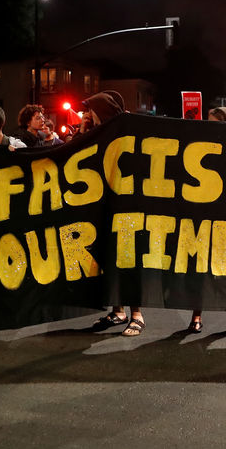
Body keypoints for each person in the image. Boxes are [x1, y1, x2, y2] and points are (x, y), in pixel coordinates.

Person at [81, 92, 147, 337]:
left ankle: (136, 314)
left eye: (91, 110)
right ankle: (118, 311)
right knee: (108, 260)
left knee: (128, 260)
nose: (87, 115)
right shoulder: (94, 133)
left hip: (126, 206)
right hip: (102, 207)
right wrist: (83, 129)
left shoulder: (125, 132)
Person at [186, 107, 226, 336]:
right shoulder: (199, 148)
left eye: (216, 123)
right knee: (201, 268)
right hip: (203, 214)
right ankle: (196, 315)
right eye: (209, 122)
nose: (211, 126)